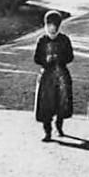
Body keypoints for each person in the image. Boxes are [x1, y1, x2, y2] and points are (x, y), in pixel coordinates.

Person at [33, 10, 74, 142]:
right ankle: (47, 131)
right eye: (49, 25)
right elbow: (36, 58)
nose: (52, 28)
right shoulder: (42, 40)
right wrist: (46, 60)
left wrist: (60, 58)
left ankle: (59, 125)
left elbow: (70, 57)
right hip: (46, 76)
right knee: (46, 103)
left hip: (61, 74)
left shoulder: (64, 39)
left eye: (55, 25)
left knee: (61, 101)